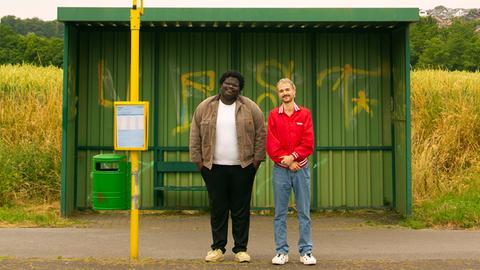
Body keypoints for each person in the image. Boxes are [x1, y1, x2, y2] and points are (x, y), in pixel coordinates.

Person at [189, 70, 266, 263]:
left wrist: (256, 161)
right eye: (227, 83)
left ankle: (241, 249)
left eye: (235, 85)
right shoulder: (205, 106)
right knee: (218, 208)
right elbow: (194, 134)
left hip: (243, 167)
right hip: (213, 167)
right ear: (221, 84)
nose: (230, 87)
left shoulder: (250, 107)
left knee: (241, 209)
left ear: (239, 89)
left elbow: (261, 133)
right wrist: (199, 162)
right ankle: (217, 248)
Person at [266, 78, 316, 265]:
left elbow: (308, 142)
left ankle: (306, 251)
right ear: (278, 94)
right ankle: (281, 252)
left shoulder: (305, 114)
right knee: (280, 213)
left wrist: (294, 158)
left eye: (287, 90)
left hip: (301, 169)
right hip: (281, 171)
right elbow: (272, 144)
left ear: (294, 91)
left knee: (304, 212)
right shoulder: (273, 115)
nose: (285, 93)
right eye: (281, 91)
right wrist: (287, 162)